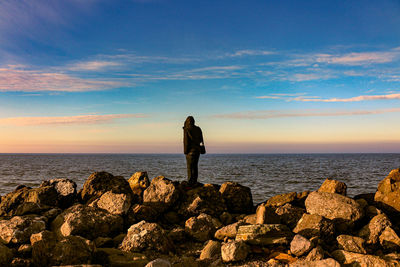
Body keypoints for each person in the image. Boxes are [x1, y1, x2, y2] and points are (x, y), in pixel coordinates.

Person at [183, 116, 205, 185]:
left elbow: (186, 141)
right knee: (195, 166)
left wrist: (185, 151)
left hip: (190, 151)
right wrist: (201, 149)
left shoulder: (187, 129)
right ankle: (195, 181)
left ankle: (190, 182)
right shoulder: (198, 129)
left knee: (189, 167)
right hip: (197, 150)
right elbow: (201, 140)